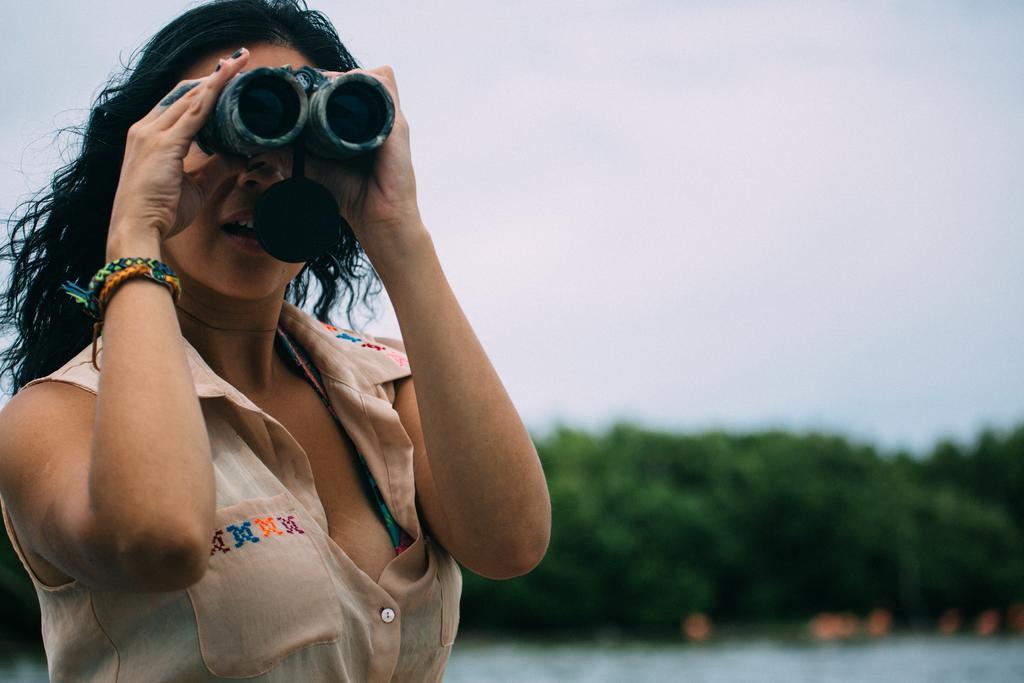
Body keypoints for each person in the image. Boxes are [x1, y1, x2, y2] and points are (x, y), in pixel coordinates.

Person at [0, 1, 551, 680]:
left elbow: (511, 542)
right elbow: (161, 538)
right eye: (222, 125)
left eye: (295, 136)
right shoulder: (53, 418)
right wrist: (135, 228)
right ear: (148, 150)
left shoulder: (383, 386)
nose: (260, 170)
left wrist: (396, 228)